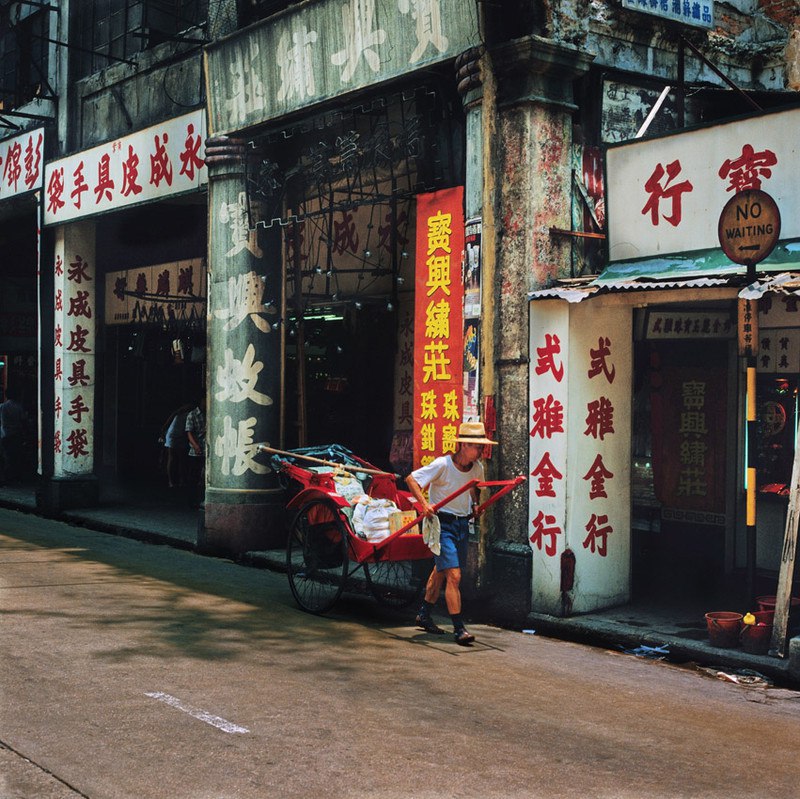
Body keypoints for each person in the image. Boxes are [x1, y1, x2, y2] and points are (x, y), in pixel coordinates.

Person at [405, 420, 498, 645]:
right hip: (442, 524)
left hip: (461, 524)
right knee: (454, 575)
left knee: (442, 569)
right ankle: (459, 629)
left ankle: (424, 614)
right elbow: (411, 479)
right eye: (477, 447)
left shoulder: (477, 468)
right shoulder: (443, 465)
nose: (480, 451)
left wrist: (475, 504)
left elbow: (476, 487)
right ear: (464, 445)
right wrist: (424, 505)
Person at [161, 403, 193, 489]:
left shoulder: (180, 413)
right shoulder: (185, 414)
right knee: (174, 459)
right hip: (173, 436)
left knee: (179, 459)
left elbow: (166, 424)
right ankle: (172, 482)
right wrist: (163, 434)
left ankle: (179, 481)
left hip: (179, 436)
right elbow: (166, 424)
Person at [0, 389, 27, 484]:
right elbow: (23, 420)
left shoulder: (2, 406)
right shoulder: (19, 407)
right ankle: (14, 477)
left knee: (5, 456)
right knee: (15, 457)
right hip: (16, 434)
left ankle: (6, 478)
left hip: (4, 434)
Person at [185, 397, 206, 504]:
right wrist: (196, 446)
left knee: (204, 477)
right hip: (195, 452)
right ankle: (192, 501)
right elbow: (189, 432)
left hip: (207, 450)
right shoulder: (192, 415)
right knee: (194, 477)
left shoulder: (209, 414)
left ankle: (202, 499)